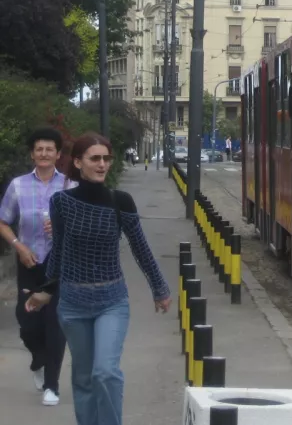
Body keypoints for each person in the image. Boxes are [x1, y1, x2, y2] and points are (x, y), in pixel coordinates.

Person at [24, 132, 172, 425]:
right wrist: (46, 290)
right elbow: (60, 251)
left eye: (106, 158)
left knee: (105, 372)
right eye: (95, 158)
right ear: (78, 162)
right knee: (83, 376)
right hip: (73, 303)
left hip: (111, 301)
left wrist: (159, 288)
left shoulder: (121, 201)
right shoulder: (62, 202)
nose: (102, 164)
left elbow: (140, 248)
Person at [0, 127, 76, 406]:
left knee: (55, 323)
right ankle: (38, 360)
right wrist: (18, 246)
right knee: (27, 322)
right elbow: (3, 221)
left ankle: (52, 386)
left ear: (58, 154)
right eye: (39, 149)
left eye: (49, 149)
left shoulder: (70, 186)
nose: (44, 154)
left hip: (60, 265)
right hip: (29, 262)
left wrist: (61, 227)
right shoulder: (18, 185)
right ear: (33, 154)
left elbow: (79, 226)